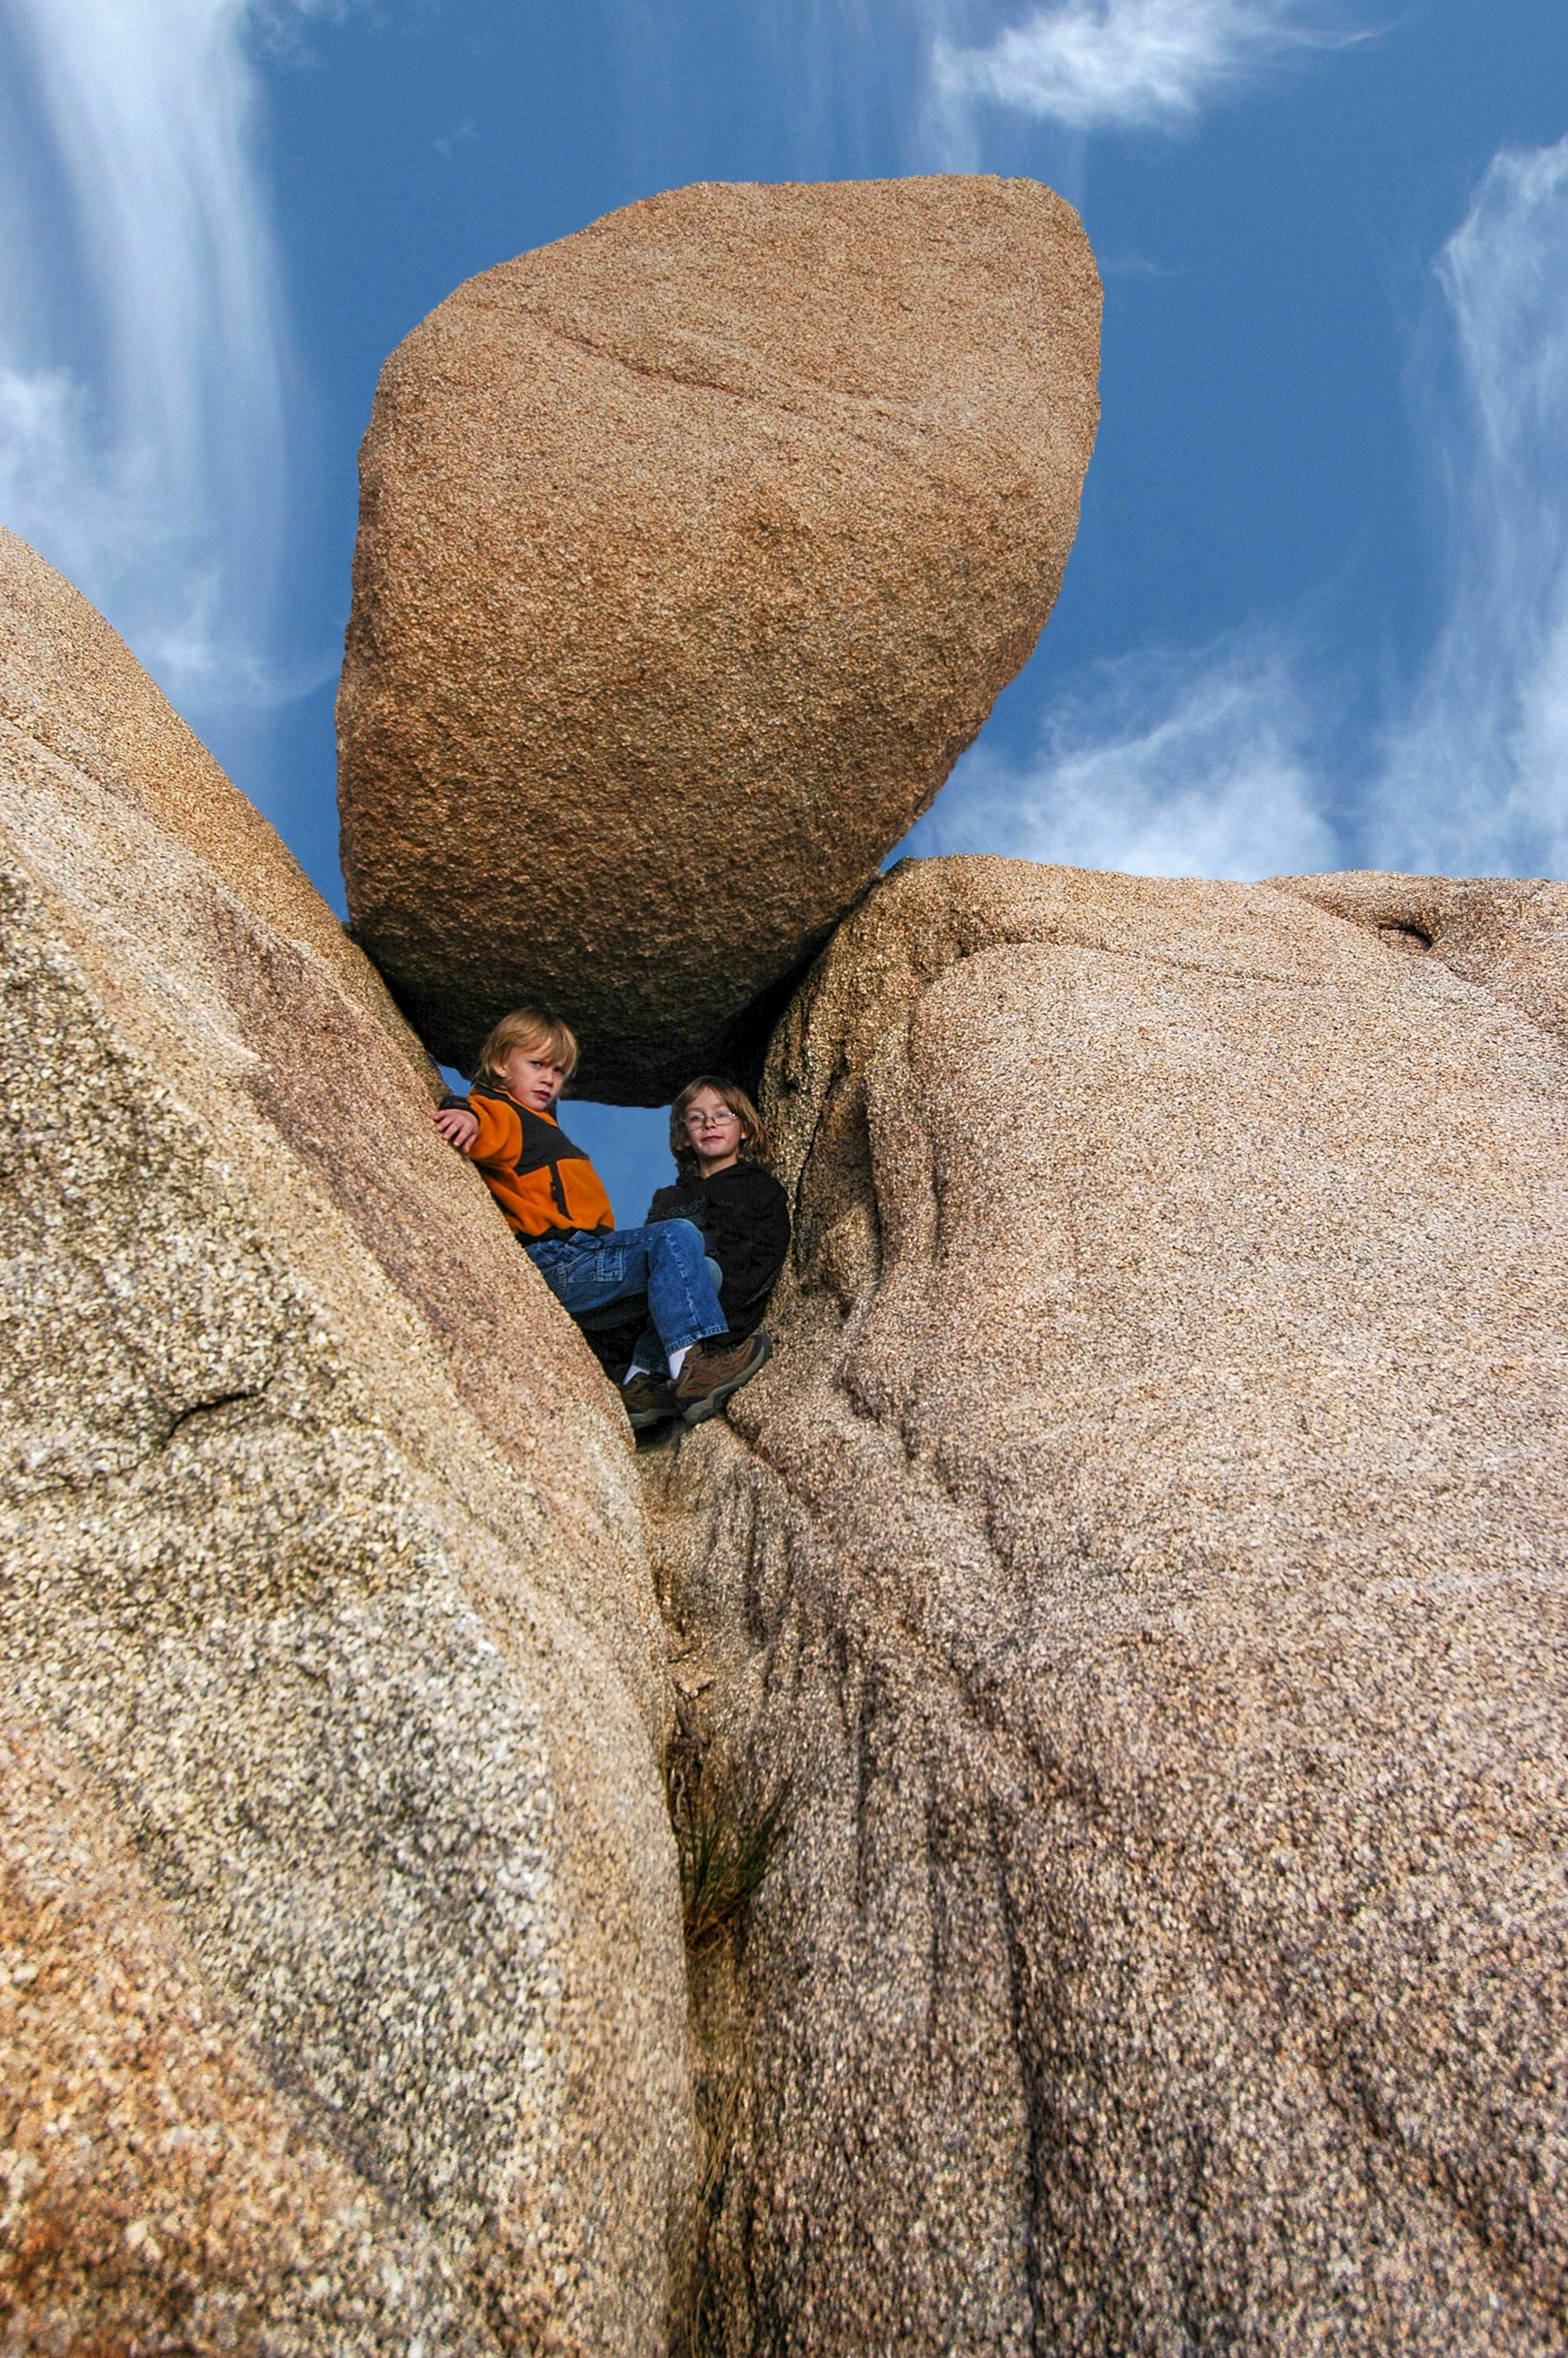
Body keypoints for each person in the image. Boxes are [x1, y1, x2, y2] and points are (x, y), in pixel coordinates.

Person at [434, 1009, 768, 1427]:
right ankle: (692, 1370)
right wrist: (461, 1110)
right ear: (502, 1064)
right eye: (536, 1065)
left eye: (558, 1070)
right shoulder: (505, 1112)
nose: (549, 1079)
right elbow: (485, 1120)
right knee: (675, 1236)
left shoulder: (541, 1122)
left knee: (702, 1271)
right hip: (558, 1261)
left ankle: (641, 1385)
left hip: (587, 1264)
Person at [619, 1077, 791, 1432]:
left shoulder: (761, 1189)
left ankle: (659, 1376)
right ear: (684, 1135)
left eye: (722, 1114)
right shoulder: (667, 1198)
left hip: (719, 1312)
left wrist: (724, 1324)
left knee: (704, 1268)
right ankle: (643, 1382)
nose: (709, 1123)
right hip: (659, 1314)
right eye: (696, 1118)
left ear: (744, 1128)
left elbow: (766, 1257)